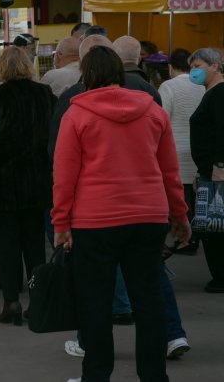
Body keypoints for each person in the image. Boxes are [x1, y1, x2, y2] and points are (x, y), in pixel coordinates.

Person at [53, 45, 190, 382]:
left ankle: (97, 375)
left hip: (94, 220)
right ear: (120, 73)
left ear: (87, 76)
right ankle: (154, 375)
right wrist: (179, 215)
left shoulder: (77, 114)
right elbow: (169, 170)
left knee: (95, 301)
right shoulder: (152, 111)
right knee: (148, 298)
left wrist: (61, 222)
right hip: (148, 217)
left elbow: (64, 174)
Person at [0, 46, 55, 324]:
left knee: (7, 243)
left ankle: (11, 301)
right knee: (34, 242)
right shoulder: (45, 95)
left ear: (0, 69)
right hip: (37, 177)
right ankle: (38, 300)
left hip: (3, 180)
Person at [49, 34, 162, 158]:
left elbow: (58, 150)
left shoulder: (72, 98)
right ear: (116, 58)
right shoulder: (146, 90)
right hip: (143, 172)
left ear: (81, 62)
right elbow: (161, 145)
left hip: (89, 173)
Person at [158, 48, 205, 255]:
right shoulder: (202, 85)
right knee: (196, 197)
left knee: (181, 197)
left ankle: (187, 239)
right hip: (198, 148)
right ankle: (195, 236)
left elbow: (162, 118)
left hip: (176, 148)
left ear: (170, 67)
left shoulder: (168, 86)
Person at [188, 47, 224, 293]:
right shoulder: (211, 93)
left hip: (216, 172)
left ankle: (220, 278)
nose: (194, 71)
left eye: (198, 66)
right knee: (213, 224)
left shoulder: (219, 93)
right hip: (209, 170)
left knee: (215, 225)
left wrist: (219, 166)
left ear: (214, 66)